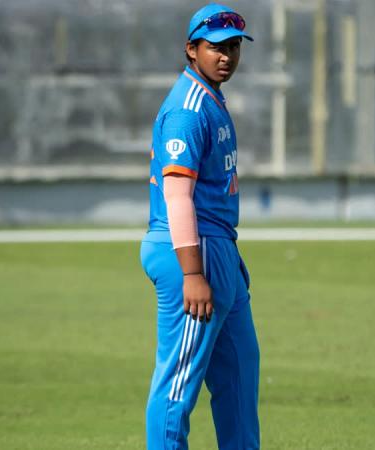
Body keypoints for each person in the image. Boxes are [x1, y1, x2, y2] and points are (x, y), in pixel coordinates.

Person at [139, 3, 260, 449]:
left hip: (215, 248)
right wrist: (193, 272)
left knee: (240, 370)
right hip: (191, 252)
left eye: (234, 47)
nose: (226, 56)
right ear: (192, 50)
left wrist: (227, 255)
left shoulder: (210, 99)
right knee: (178, 383)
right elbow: (177, 196)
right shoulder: (187, 110)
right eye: (216, 47)